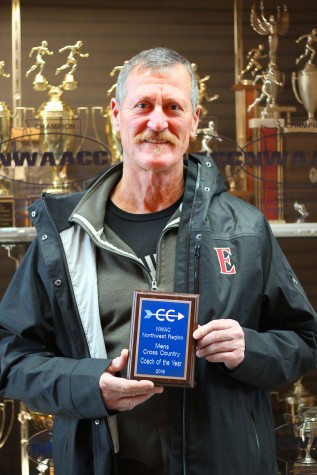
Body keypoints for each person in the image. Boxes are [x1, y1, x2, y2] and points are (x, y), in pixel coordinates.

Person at [0, 47, 316, 475]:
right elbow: (10, 355)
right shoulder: (66, 234)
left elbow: (305, 341)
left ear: (195, 119)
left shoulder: (244, 228)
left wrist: (252, 348)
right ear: (116, 114)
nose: (158, 122)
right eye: (143, 105)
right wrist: (89, 384)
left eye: (173, 107)